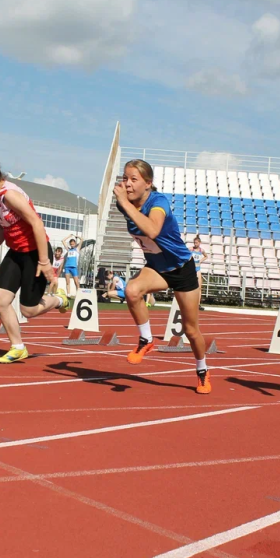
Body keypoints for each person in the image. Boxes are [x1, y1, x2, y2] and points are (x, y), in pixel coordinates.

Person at [114, 159, 210, 394]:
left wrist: (125, 203)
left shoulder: (159, 202)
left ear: (148, 183)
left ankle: (202, 370)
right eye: (125, 178)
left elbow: (153, 230)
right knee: (131, 290)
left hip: (181, 269)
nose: (127, 184)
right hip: (157, 268)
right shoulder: (125, 204)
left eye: (134, 179)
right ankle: (146, 340)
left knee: (191, 330)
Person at [0, 151, 71, 363]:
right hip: (16, 252)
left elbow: (37, 223)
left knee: (29, 310)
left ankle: (60, 299)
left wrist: (44, 262)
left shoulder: (10, 195)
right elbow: (3, 225)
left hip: (35, 253)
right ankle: (17, 347)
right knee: (0, 299)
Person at [191, 236, 209, 309]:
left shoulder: (201, 250)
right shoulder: (191, 249)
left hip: (198, 269)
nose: (195, 244)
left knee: (199, 287)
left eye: (196, 243)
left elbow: (206, 256)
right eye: (194, 243)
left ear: (199, 243)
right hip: (191, 269)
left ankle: (198, 304)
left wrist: (200, 261)